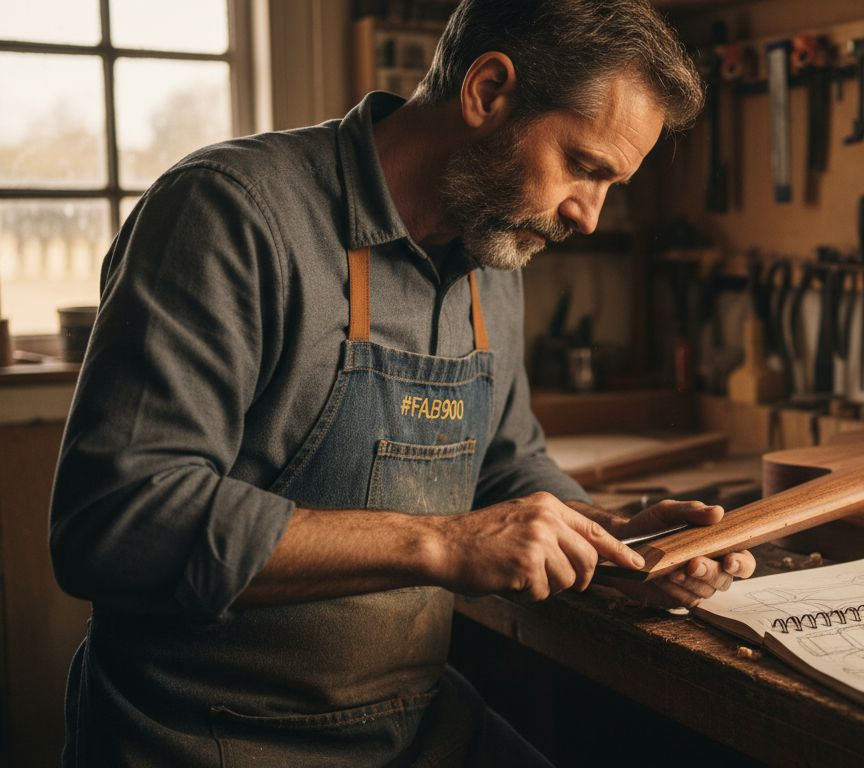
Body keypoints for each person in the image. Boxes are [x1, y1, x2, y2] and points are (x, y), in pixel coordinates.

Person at [48, 1, 755, 764]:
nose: (588, 217)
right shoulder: (230, 213)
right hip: (206, 733)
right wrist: (441, 544)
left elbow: (507, 466)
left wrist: (616, 545)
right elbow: (116, 522)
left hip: (408, 724)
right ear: (487, 91)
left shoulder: (492, 249)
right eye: (584, 167)